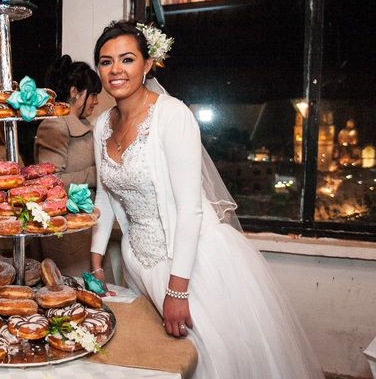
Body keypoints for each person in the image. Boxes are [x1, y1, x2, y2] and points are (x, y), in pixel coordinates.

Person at [89, 21, 324, 378]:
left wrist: (178, 292)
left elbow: (190, 209)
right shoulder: (101, 125)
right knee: (158, 360)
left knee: (209, 360)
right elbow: (105, 197)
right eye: (106, 62)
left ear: (147, 64)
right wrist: (96, 263)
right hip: (139, 262)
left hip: (192, 265)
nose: (116, 70)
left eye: (127, 59)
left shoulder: (173, 115)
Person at [34, 55, 102, 276]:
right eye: (92, 95)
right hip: (66, 231)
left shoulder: (84, 125)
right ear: (75, 92)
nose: (96, 101)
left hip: (85, 225)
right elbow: (50, 182)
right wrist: (96, 174)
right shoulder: (54, 125)